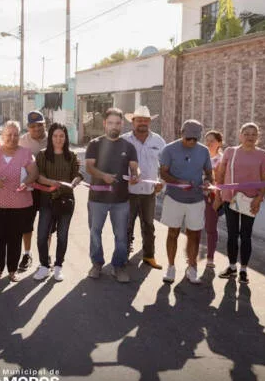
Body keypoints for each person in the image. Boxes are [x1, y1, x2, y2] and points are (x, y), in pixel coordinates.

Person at [85, 108, 139, 283]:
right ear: (104, 124)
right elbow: (89, 167)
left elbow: (134, 167)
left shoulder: (128, 147)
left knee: (121, 235)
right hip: (97, 199)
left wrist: (135, 175)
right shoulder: (94, 144)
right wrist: (103, 176)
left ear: (122, 124)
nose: (114, 126)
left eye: (117, 123)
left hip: (121, 200)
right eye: (110, 123)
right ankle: (97, 264)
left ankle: (118, 266)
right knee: (95, 233)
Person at [0, 121, 38, 282]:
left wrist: (26, 182)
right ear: (2, 135)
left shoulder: (26, 153)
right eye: (8, 134)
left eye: (15, 135)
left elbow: (34, 173)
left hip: (18, 203)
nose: (12, 138)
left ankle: (13, 270)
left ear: (19, 136)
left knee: (15, 238)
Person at [214, 123, 265, 285]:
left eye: (253, 134)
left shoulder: (262, 155)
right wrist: (218, 194)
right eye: (246, 133)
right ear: (240, 135)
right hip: (230, 199)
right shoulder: (230, 151)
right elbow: (221, 174)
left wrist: (259, 198)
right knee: (232, 234)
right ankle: (232, 267)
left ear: (257, 137)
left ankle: (244, 270)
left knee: (246, 235)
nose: (250, 137)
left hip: (250, 201)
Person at [159, 119, 214, 285]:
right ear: (181, 133)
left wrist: (208, 182)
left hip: (196, 199)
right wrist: (178, 182)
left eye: (195, 138)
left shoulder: (203, 151)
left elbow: (209, 173)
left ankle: (192, 267)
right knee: (173, 233)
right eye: (188, 138)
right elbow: (163, 173)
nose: (191, 141)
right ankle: (171, 267)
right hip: (174, 198)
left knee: (194, 235)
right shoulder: (169, 149)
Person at [32, 123, 82, 282]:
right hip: (47, 200)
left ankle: (58, 266)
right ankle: (44, 266)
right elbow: (38, 176)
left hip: (66, 200)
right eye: (55, 136)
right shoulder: (42, 155)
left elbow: (77, 174)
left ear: (66, 138)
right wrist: (52, 182)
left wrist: (75, 181)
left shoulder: (72, 155)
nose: (58, 139)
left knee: (62, 235)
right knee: (42, 235)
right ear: (50, 137)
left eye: (61, 136)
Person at [121, 106, 166, 270]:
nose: (142, 123)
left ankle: (149, 256)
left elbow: (165, 165)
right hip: (128, 192)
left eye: (145, 120)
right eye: (139, 120)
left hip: (149, 192)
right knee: (126, 225)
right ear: (133, 122)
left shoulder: (158, 141)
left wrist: (162, 182)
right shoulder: (124, 141)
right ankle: (123, 254)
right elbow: (116, 165)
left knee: (148, 225)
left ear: (149, 122)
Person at [18, 110, 48, 272]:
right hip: (28, 189)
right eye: (32, 126)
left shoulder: (53, 139)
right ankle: (27, 254)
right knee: (26, 224)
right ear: (28, 127)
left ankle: (46, 255)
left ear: (45, 124)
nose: (36, 128)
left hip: (48, 190)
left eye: (39, 125)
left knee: (47, 225)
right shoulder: (21, 141)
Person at [202, 130, 224, 268]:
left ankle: (210, 258)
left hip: (213, 197)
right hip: (196, 196)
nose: (209, 143)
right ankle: (191, 255)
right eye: (207, 140)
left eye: (212, 141)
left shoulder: (222, 159)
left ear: (219, 143)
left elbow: (223, 181)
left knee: (211, 228)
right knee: (193, 226)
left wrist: (218, 198)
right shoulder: (200, 156)